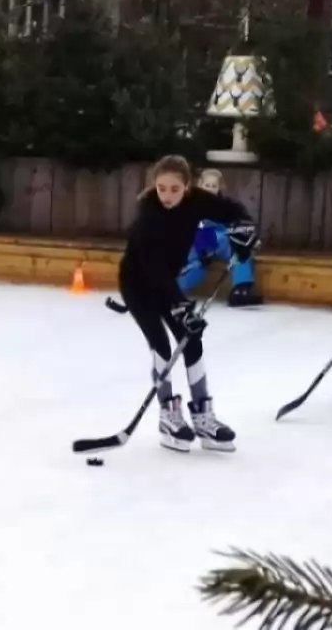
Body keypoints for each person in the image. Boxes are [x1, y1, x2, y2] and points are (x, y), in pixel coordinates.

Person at [119, 155, 258, 453]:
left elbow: (232, 211)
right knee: (162, 345)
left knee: (191, 339)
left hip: (167, 281)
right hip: (138, 284)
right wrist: (180, 305)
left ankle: (203, 416)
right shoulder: (149, 217)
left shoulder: (197, 201)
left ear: (187, 187)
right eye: (161, 188)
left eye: (174, 189)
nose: (167, 196)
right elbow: (152, 268)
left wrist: (245, 226)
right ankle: (169, 415)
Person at [176, 169, 265, 308]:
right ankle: (170, 291)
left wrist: (252, 238)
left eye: (213, 186)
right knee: (197, 268)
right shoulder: (189, 204)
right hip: (196, 244)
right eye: (207, 185)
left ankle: (241, 290)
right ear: (200, 185)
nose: (210, 189)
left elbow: (245, 223)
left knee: (241, 249)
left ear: (219, 187)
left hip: (222, 243)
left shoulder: (227, 205)